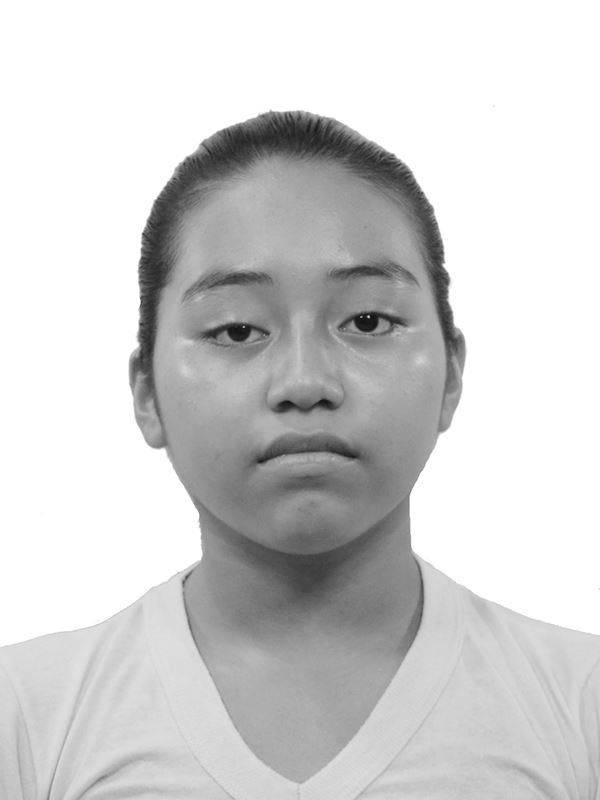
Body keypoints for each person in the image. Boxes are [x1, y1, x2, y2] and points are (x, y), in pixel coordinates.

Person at [1, 110, 598, 799]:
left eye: (367, 321)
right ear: (147, 392)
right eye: (236, 330)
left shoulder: (580, 703)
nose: (306, 382)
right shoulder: (27, 716)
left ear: (452, 375)